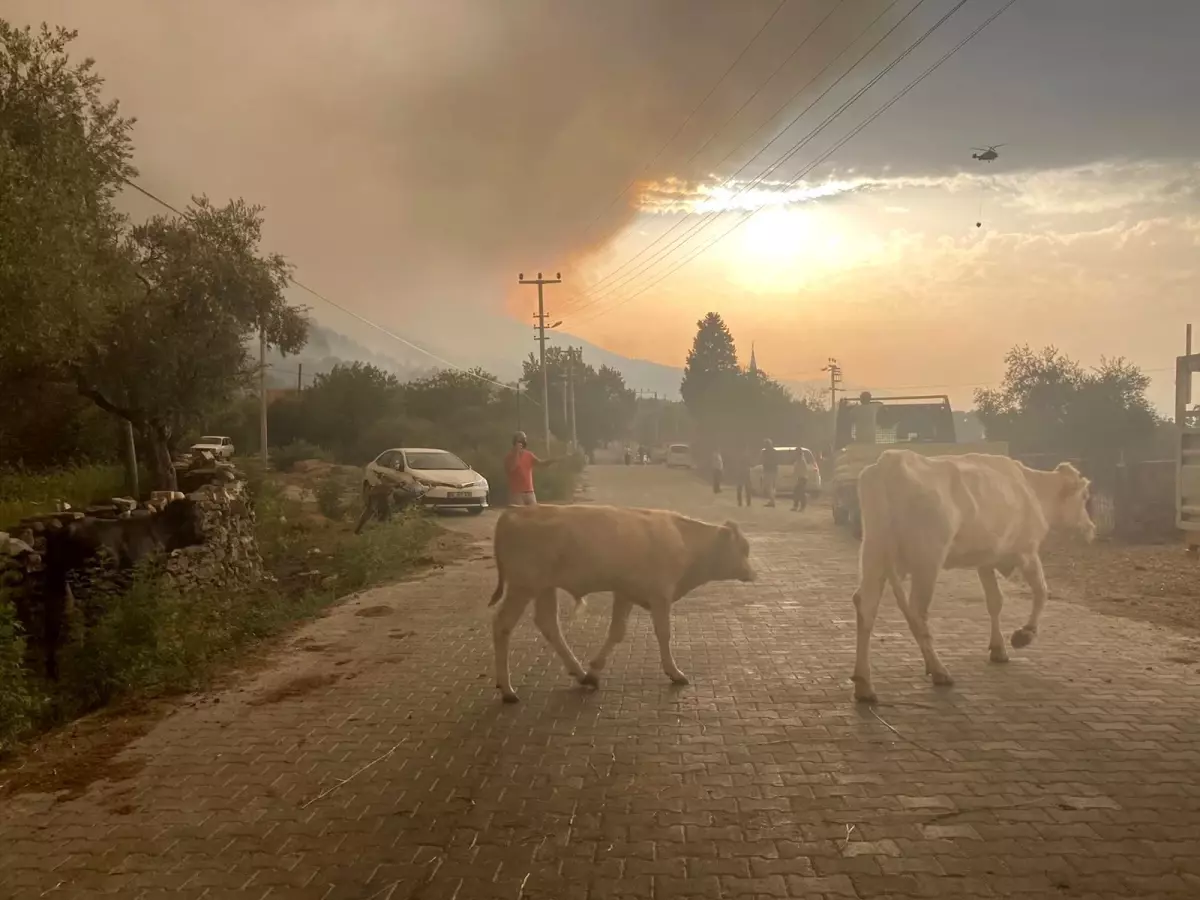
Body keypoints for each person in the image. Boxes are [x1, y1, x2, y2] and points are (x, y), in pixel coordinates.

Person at [504, 431, 552, 506]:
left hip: (529, 492)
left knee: (534, 514)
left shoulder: (529, 455)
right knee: (520, 515)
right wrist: (517, 453)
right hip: (517, 493)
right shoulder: (509, 456)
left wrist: (554, 460)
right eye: (519, 441)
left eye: (523, 441)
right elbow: (512, 468)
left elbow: (541, 464)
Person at [761, 438, 779, 507]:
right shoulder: (774, 451)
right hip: (773, 470)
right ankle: (772, 500)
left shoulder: (766, 452)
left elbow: (763, 460)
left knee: (768, 486)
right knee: (771, 486)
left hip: (768, 470)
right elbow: (777, 461)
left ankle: (772, 501)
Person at [791, 446, 808, 512]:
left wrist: (799, 479)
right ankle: (796, 506)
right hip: (800, 478)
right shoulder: (798, 459)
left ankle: (802, 507)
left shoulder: (801, 460)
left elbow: (802, 470)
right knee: (796, 492)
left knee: (801, 493)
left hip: (802, 478)